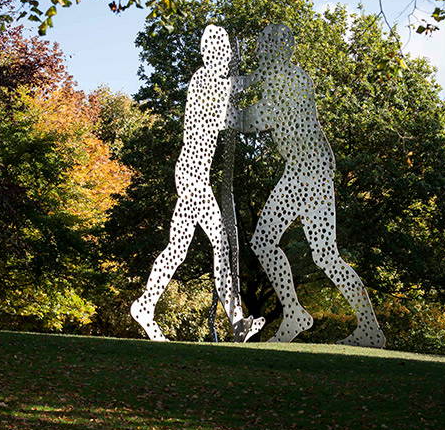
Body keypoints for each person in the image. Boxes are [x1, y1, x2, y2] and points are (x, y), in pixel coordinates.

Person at [239, 24, 386, 347]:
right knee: (323, 254)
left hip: (307, 171)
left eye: (266, 47)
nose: (261, 53)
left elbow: (262, 117)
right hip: (305, 169)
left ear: (281, 49)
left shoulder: (291, 79)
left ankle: (297, 314)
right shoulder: (278, 78)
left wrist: (225, 116)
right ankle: (361, 326)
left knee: (270, 243)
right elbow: (251, 86)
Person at [130, 25, 263, 342]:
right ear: (211, 54)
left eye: (228, 54)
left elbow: (234, 104)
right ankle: (236, 320)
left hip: (194, 175)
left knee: (179, 248)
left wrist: (248, 81)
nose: (226, 57)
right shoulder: (205, 81)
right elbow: (233, 117)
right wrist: (257, 79)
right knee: (218, 245)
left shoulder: (215, 83)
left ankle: (146, 305)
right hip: (192, 175)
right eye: (223, 53)